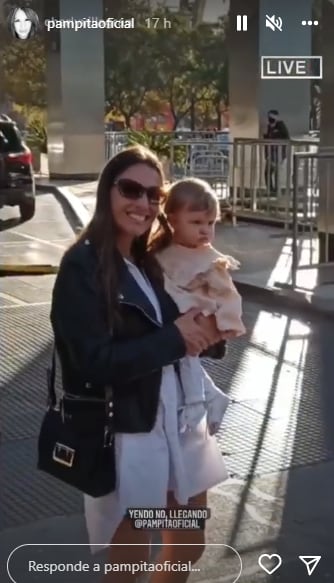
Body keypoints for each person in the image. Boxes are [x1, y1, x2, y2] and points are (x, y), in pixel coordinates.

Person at [50, 146, 230, 582]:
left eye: (154, 194)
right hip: (131, 436)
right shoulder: (82, 266)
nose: (143, 203)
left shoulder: (153, 260)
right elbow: (91, 362)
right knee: (130, 561)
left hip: (182, 427)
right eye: (131, 189)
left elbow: (186, 329)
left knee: (188, 543)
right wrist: (175, 338)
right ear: (107, 191)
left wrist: (211, 333)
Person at [149, 178, 245, 433]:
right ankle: (211, 397)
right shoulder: (162, 251)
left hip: (196, 317)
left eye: (210, 223)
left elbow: (228, 294)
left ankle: (197, 406)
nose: (205, 230)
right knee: (181, 363)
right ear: (172, 220)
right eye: (196, 222)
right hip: (173, 319)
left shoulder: (209, 259)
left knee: (188, 361)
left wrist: (227, 323)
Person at [263, 109, 290, 194]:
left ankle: (276, 190)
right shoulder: (270, 127)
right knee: (268, 172)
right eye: (269, 117)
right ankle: (271, 189)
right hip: (271, 152)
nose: (269, 118)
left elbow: (286, 137)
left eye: (271, 117)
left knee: (275, 172)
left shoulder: (281, 126)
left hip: (278, 152)